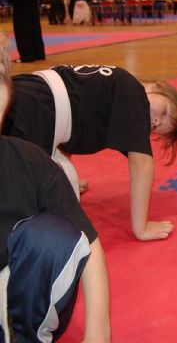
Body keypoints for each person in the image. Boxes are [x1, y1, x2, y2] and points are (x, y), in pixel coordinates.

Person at [0, 35, 110, 342]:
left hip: (12, 301)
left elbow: (89, 243)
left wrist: (98, 335)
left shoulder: (30, 161)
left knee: (53, 237)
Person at [3, 64, 177, 242]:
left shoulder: (115, 99)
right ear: (157, 86)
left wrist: (66, 182)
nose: (155, 121)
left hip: (27, 97)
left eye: (156, 128)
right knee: (22, 202)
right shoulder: (134, 93)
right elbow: (141, 163)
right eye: (164, 112)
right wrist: (141, 228)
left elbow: (68, 129)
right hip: (32, 110)